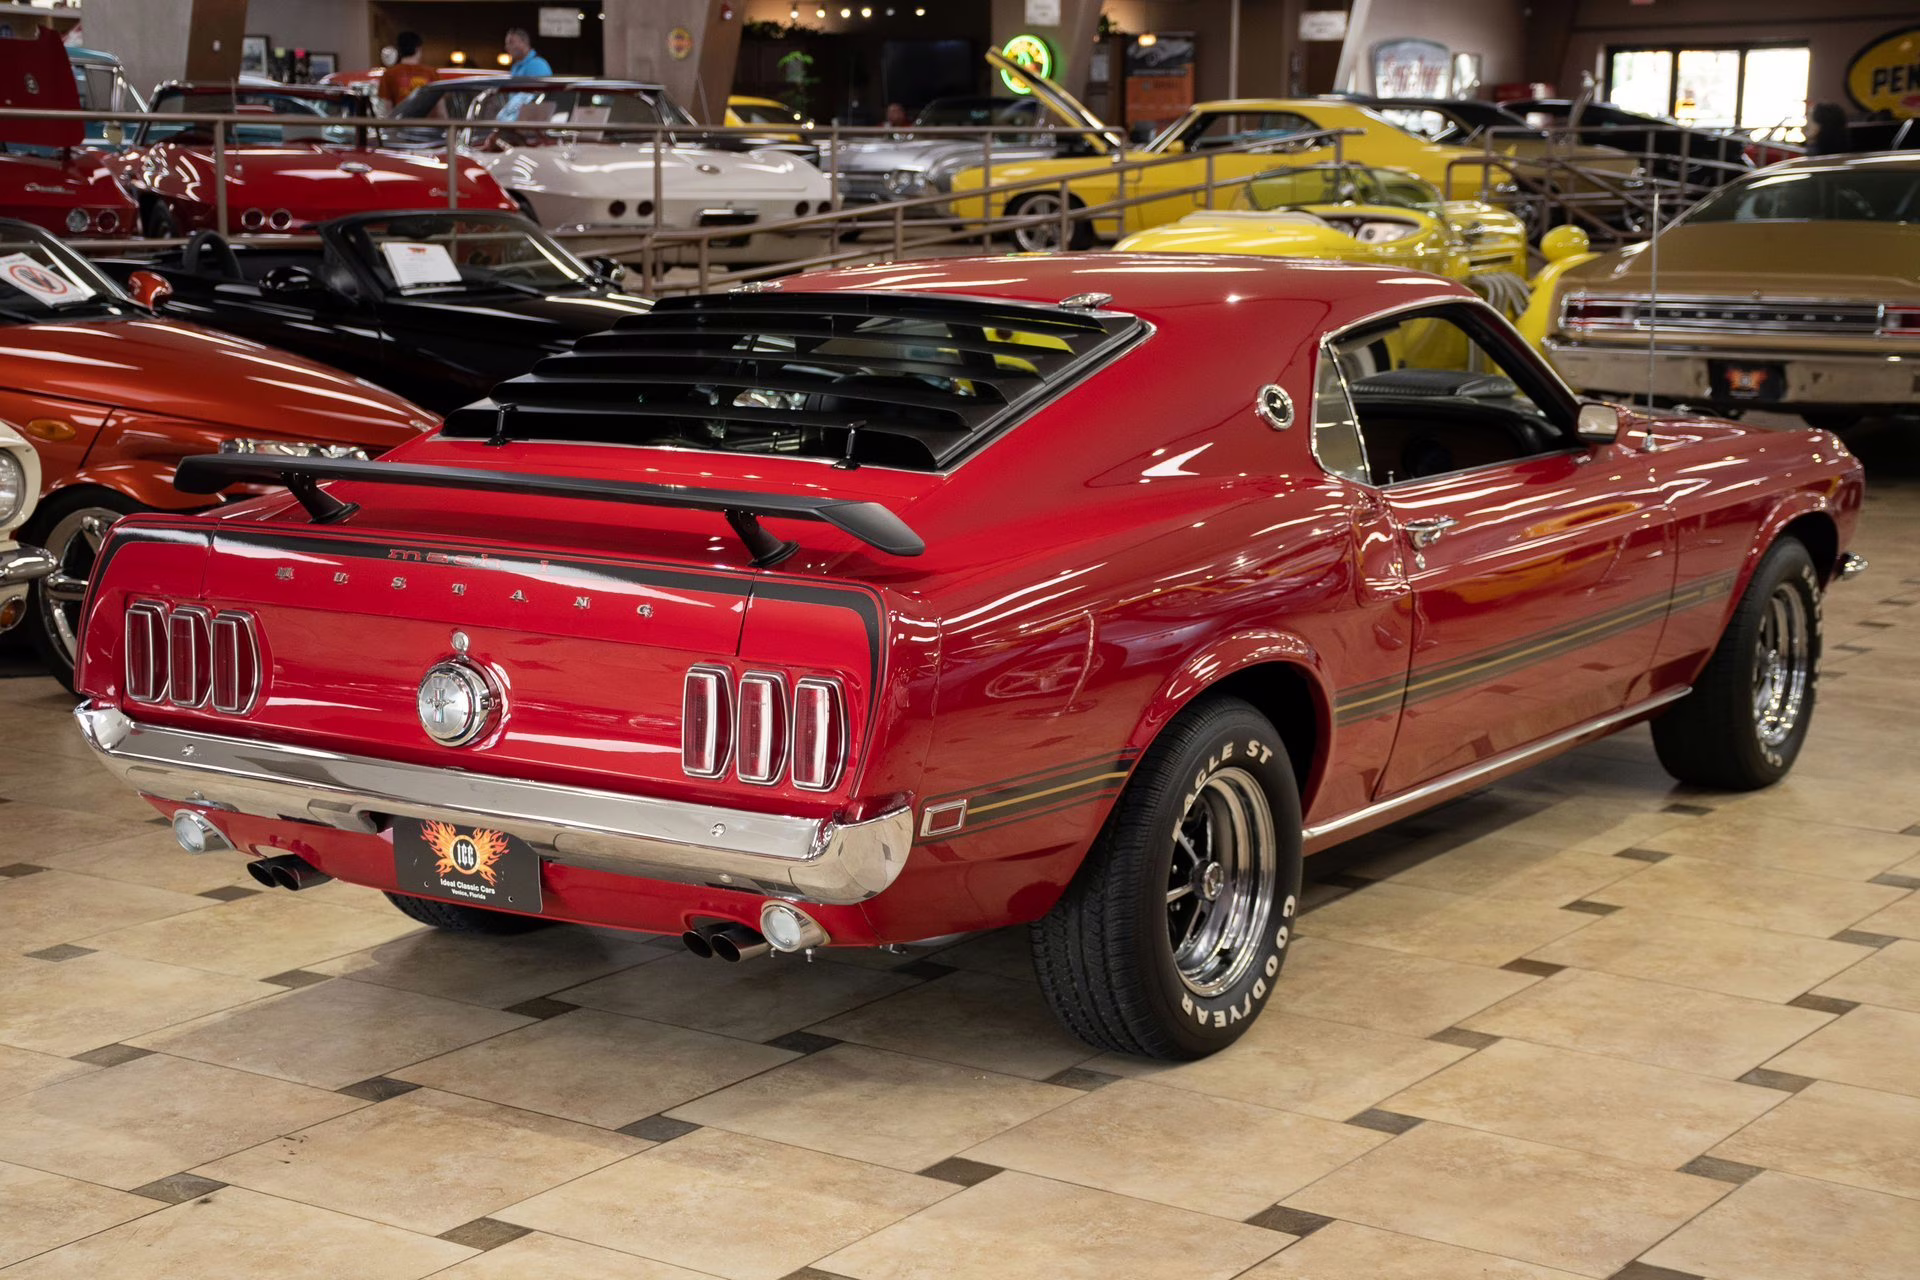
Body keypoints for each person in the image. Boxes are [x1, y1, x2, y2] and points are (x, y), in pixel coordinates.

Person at [378, 33, 433, 111]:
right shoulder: (431, 73)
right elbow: (439, 108)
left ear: (399, 50)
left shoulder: (389, 74)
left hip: (400, 118)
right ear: (418, 49)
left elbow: (387, 107)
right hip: (424, 118)